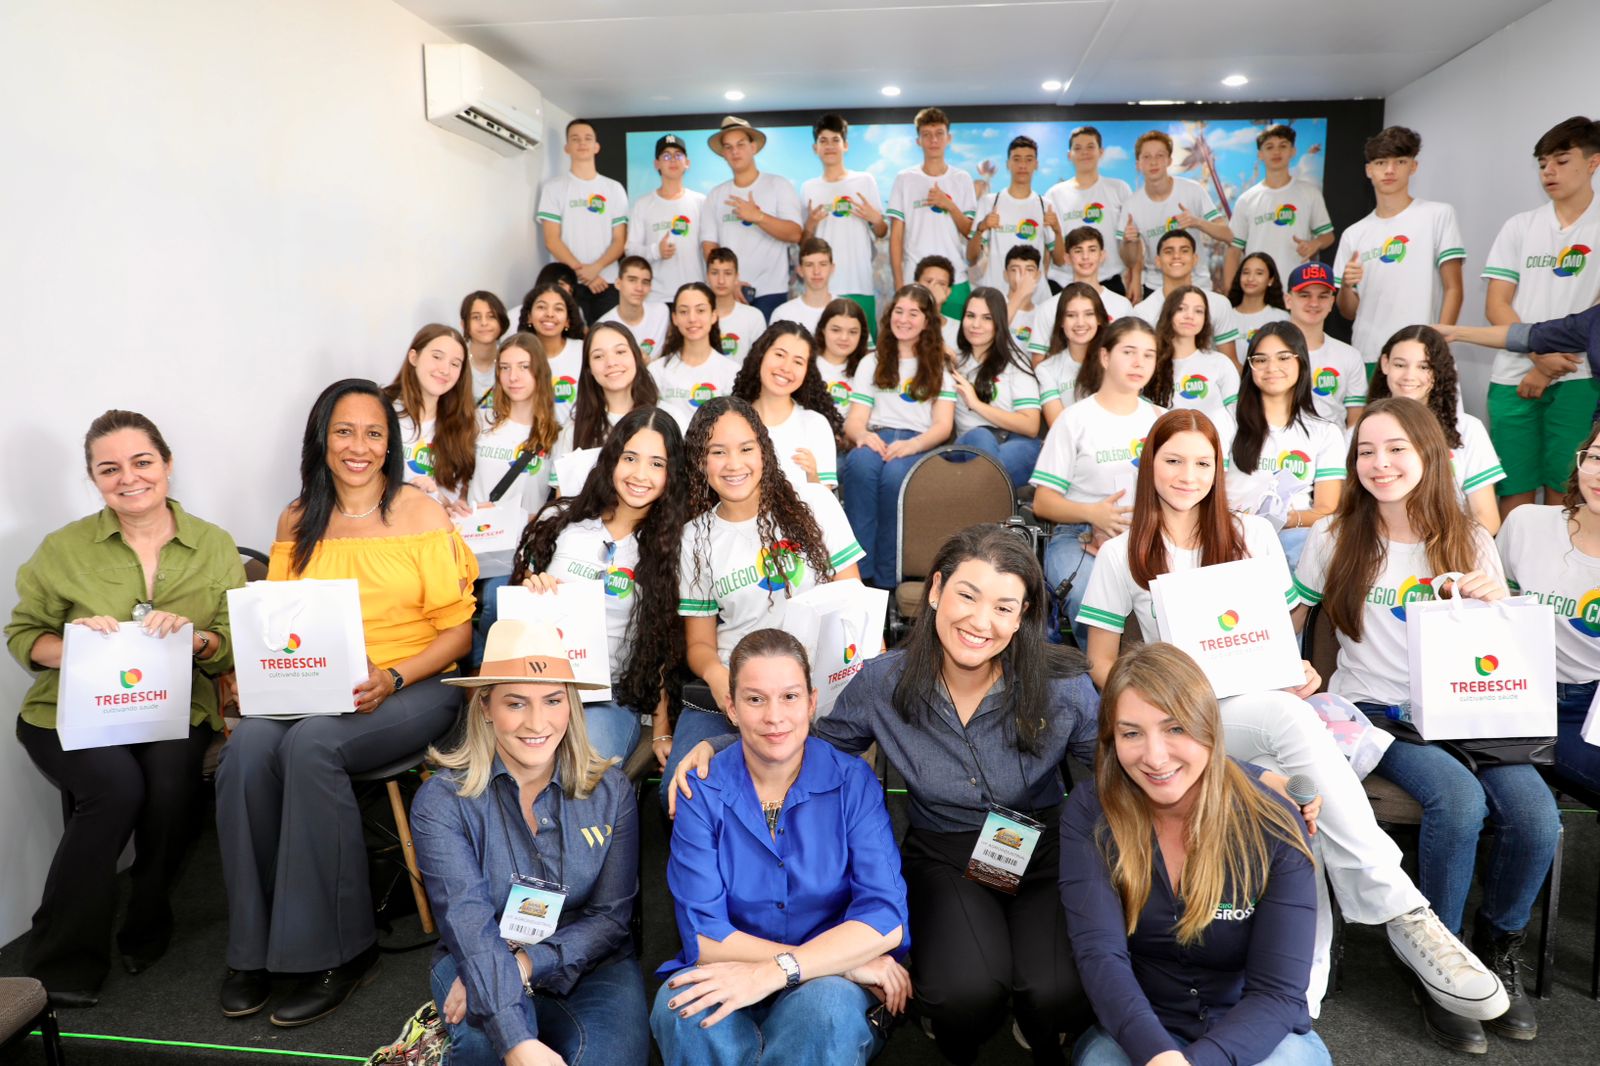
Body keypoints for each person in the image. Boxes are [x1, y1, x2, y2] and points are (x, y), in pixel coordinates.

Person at [1078, 410, 1501, 1024]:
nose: (1187, 475)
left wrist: (1297, 668)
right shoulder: (1121, 553)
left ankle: (1302, 996)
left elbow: (1278, 637)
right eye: (1172, 461)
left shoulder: (1253, 535)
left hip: (1252, 707)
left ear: (1219, 470)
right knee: (1289, 747)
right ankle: (1397, 910)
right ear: (1149, 465)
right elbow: (1100, 660)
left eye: (1202, 463)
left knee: (1298, 796)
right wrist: (1147, 706)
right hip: (1176, 722)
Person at [671, 525, 1102, 1064]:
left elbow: (1118, 766)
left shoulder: (1064, 684)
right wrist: (721, 744)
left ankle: (1041, 1022)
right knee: (963, 996)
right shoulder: (884, 682)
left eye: (1003, 607)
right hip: (946, 851)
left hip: (1039, 845)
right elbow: (808, 738)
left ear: (1022, 616)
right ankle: (958, 1020)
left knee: (1056, 993)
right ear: (936, 590)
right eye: (967, 596)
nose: (980, 621)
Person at [1292, 397, 1561, 1051]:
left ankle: (1496, 950)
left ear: (1429, 455)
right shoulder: (1333, 536)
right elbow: (1292, 622)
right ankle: (1441, 964)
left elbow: (1505, 649)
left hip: (1470, 711)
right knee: (1459, 802)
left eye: (1396, 449)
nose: (1379, 464)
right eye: (1366, 451)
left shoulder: (1470, 538)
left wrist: (1500, 600)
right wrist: (1290, 669)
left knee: (1538, 819)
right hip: (1376, 714)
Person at [216, 378, 478, 1027]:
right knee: (247, 748)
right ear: (321, 439)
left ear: (389, 445)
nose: (358, 446)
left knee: (312, 746)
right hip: (314, 688)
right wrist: (253, 674)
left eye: (373, 433)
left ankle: (343, 950)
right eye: (344, 431)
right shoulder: (297, 518)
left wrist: (393, 675)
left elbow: (458, 635)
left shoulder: (419, 512)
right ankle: (255, 948)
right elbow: (277, 621)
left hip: (412, 685)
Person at [6, 411, 242, 1006]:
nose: (129, 478)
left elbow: (231, 641)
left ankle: (149, 912)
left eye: (142, 462)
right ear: (93, 478)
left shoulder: (213, 543)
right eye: (109, 469)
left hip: (171, 709)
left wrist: (198, 640)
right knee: (116, 790)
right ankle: (60, 958)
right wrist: (75, 645)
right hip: (71, 710)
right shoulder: (63, 548)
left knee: (170, 789)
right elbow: (23, 635)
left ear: (166, 464)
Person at [1061, 643, 1331, 1066]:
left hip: (1252, 1029)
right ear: (1112, 740)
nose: (1154, 757)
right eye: (1131, 733)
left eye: (1174, 729)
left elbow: (1276, 992)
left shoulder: (1274, 822)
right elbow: (1101, 956)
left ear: (1208, 726)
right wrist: (1158, 1054)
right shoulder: (1091, 811)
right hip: (1141, 1026)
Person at [652, 628, 909, 1066]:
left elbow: (884, 920)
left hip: (827, 986)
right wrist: (841, 961)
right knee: (683, 1008)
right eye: (755, 699)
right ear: (731, 707)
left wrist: (783, 972)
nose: (774, 716)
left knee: (826, 1011)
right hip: (761, 965)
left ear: (811, 702)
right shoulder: (700, 790)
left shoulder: (852, 782)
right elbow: (705, 936)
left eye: (789, 697)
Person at [411, 620, 648, 1066]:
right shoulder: (441, 802)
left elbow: (610, 919)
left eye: (553, 700)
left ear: (571, 704)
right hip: (481, 953)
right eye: (516, 703)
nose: (537, 723)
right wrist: (515, 1039)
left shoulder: (612, 791)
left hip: (593, 964)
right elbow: (468, 923)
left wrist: (525, 964)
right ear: (485, 706)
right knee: (485, 1048)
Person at [666, 397, 864, 787]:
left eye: (745, 449)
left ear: (764, 451)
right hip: (736, 688)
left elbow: (854, 603)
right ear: (699, 462)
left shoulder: (815, 503)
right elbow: (700, 645)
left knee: (811, 785)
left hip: (816, 687)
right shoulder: (694, 538)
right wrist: (720, 679)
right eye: (717, 452)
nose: (733, 464)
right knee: (685, 784)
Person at [513, 407, 687, 766]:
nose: (640, 474)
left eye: (657, 463)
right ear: (612, 460)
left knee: (578, 769)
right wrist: (533, 589)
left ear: (672, 474)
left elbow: (665, 645)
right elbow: (515, 616)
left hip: (609, 696)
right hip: (536, 682)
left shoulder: (675, 548)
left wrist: (661, 728)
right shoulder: (559, 522)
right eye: (630, 458)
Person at [1480, 115, 1600, 518]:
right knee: (1513, 490)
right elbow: (1496, 304)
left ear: (1593, 163)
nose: (1549, 171)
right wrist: (1538, 358)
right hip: (1514, 376)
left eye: (1561, 161)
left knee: (1566, 489)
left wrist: (1550, 367)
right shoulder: (1520, 226)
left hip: (1581, 377)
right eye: (1543, 163)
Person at [1031, 317, 1165, 648]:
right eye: (1129, 352)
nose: (1139, 363)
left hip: (1149, 534)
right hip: (1078, 537)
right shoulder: (1074, 419)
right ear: (1105, 357)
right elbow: (1043, 503)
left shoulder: (1161, 420)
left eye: (1148, 355)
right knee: (1091, 598)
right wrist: (1094, 514)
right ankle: (1104, 674)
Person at [1497, 421, 1600, 795]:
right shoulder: (1526, 523)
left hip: (1593, 707)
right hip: (1518, 696)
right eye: (1596, 457)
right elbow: (1491, 614)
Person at [839, 284, 958, 588]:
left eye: (913, 313)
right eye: (899, 311)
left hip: (919, 441)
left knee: (895, 478)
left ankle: (887, 581)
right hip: (877, 437)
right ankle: (858, 576)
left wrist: (913, 444)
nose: (904, 319)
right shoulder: (872, 361)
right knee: (858, 465)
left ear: (927, 321)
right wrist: (862, 435)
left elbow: (943, 426)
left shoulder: (939, 365)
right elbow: (855, 421)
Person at [1333, 126, 1465, 370]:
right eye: (1381, 163)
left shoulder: (1437, 215)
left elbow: (1454, 288)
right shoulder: (1354, 233)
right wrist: (1347, 286)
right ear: (1369, 170)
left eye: (1400, 161)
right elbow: (1348, 312)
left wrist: (1438, 345)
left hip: (1421, 353)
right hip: (1368, 355)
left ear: (1413, 166)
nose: (1390, 170)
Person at [1227, 324, 1345, 565]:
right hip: (1231, 538)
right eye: (1261, 360)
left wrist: (1287, 519)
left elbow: (1327, 510)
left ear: (1301, 362)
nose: (1272, 368)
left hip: (1293, 545)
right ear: (1250, 366)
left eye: (1283, 358)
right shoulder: (1225, 419)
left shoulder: (1325, 432)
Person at [1367, 325, 1504, 534]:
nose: (1409, 376)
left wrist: (1440, 546)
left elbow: (1486, 518)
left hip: (1448, 544)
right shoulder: (1362, 431)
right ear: (1385, 364)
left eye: (1424, 367)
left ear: (1438, 371)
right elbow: (1349, 510)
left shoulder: (1468, 429)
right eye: (1400, 364)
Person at [701, 116, 804, 321]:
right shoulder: (716, 195)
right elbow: (709, 247)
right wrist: (728, 282)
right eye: (728, 147)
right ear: (723, 154)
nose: (735, 151)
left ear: (753, 147)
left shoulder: (778, 185)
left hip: (772, 292)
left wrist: (758, 216)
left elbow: (795, 233)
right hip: (730, 294)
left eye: (741, 144)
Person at [537, 118, 629, 326]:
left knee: (608, 336)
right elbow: (552, 240)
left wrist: (596, 268)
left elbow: (620, 240)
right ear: (567, 148)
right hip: (567, 283)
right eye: (575, 139)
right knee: (572, 337)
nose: (582, 143)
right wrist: (584, 274)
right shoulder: (553, 188)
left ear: (596, 147)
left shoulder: (614, 188)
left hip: (607, 282)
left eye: (588, 138)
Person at [1222, 124, 1336, 292]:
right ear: (1260, 154)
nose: (1276, 152)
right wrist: (1229, 293)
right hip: (1257, 291)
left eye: (1283, 146)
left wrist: (1315, 244)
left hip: (1297, 289)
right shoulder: (1246, 199)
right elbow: (1234, 250)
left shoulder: (1310, 193)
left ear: (1293, 151)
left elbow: (1328, 236)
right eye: (1269, 147)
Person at [1121, 130, 1233, 298]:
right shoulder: (1131, 204)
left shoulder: (1193, 190)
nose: (1153, 162)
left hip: (1197, 284)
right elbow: (1130, 259)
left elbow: (1228, 235)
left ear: (1169, 160)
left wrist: (1197, 222)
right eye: (1147, 157)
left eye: (1160, 156)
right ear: (1138, 164)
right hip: (1156, 287)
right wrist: (1129, 241)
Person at [950, 285, 1043, 487]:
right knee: (980, 436)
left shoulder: (1015, 363)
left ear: (999, 322)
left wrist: (976, 404)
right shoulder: (954, 362)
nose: (976, 324)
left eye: (987, 318)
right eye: (970, 316)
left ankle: (978, 495)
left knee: (1001, 461)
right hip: (969, 445)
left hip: (1015, 442)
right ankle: (988, 495)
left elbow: (1031, 426)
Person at [733, 321, 843, 490]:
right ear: (761, 355)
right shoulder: (731, 420)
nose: (786, 368)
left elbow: (824, 500)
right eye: (779, 355)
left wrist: (813, 476)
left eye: (798, 362)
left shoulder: (815, 424)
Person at [888, 107, 978, 315]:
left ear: (949, 138)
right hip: (915, 279)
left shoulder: (962, 178)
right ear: (918, 141)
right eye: (926, 135)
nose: (933, 140)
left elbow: (970, 231)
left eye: (939, 134)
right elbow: (896, 237)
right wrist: (899, 284)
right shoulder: (905, 179)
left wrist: (949, 205)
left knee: (957, 335)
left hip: (955, 279)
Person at [802, 113, 886, 332]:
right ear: (815, 148)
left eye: (835, 140)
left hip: (859, 282)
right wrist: (810, 225)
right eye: (823, 141)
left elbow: (881, 231)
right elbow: (804, 243)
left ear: (845, 145)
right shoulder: (809, 187)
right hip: (823, 288)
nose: (829, 146)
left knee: (865, 347)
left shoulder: (865, 181)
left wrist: (876, 219)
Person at [382, 323, 476, 514]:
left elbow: (449, 498)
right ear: (414, 357)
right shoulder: (381, 409)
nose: (445, 369)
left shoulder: (461, 424)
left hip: (429, 527)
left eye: (455, 364)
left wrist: (438, 496)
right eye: (437, 357)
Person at [468, 333, 559, 517]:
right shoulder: (479, 420)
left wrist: (514, 517)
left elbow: (559, 506)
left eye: (524, 367)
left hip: (525, 534)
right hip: (473, 533)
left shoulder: (554, 435)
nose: (513, 377)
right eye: (505, 367)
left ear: (540, 371)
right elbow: (458, 485)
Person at [968, 136, 1060, 303]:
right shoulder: (989, 202)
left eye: (1028, 159)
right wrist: (982, 228)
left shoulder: (1045, 206)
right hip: (995, 297)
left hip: (1035, 298)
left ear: (1036, 164)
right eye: (1017, 159)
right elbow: (971, 256)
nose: (1022, 165)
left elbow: (1059, 260)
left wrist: (1058, 231)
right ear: (1008, 164)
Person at [1043, 125, 1133, 296]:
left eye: (1090, 147)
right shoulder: (1054, 194)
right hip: (1064, 283)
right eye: (1078, 148)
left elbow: (1132, 240)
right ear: (1069, 155)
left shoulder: (1119, 189)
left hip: (1109, 282)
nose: (1084, 152)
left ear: (1101, 152)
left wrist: (1135, 276)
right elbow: (1050, 249)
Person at [1130, 229, 1241, 364]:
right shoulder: (1142, 311)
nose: (1176, 256)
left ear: (1195, 259)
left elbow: (1231, 361)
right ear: (1158, 261)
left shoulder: (1218, 304)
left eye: (1184, 251)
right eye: (1169, 251)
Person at [556, 320, 662, 459]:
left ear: (636, 357)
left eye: (620, 352)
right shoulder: (573, 430)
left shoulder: (668, 415)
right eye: (598, 356)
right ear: (589, 369)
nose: (611, 362)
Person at [1146, 286, 1241, 437]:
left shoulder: (1220, 363)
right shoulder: (1150, 365)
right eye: (1181, 309)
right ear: (1168, 314)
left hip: (1213, 448)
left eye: (1198, 311)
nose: (1190, 316)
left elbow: (1235, 416)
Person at [1028, 226, 1134, 361]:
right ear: (1067, 258)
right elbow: (1038, 361)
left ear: (1102, 255)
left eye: (1092, 250)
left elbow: (1131, 352)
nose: (1085, 257)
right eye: (1078, 251)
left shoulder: (1122, 305)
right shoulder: (1048, 307)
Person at [647, 281, 739, 433]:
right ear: (674, 318)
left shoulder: (732, 371)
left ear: (714, 316)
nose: (692, 318)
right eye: (684, 311)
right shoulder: (657, 370)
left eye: (700, 310)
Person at [626, 134, 707, 302]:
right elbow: (630, 250)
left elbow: (710, 248)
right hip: (656, 297)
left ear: (687, 163)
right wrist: (656, 251)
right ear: (657, 164)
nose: (673, 160)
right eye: (666, 156)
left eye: (678, 155)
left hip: (695, 295)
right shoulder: (643, 204)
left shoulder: (701, 202)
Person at [1285, 262, 1366, 428]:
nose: (1314, 303)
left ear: (1331, 302)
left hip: (1333, 443)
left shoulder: (1349, 355)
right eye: (1305, 295)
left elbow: (1355, 421)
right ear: (1288, 300)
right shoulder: (1269, 351)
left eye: (1322, 296)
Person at [1035, 282, 1111, 427]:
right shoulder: (1046, 369)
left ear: (1099, 319)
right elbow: (1058, 426)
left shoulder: (1114, 360)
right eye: (1071, 315)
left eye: (1089, 314)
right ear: (1061, 321)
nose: (1080, 323)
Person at [517, 281, 587, 426]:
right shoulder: (517, 355)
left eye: (558, 309)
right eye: (541, 307)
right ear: (529, 316)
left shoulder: (583, 351)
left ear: (568, 321)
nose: (549, 314)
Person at [597, 255, 670, 360]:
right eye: (632, 280)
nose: (639, 288)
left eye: (645, 282)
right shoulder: (604, 326)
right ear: (618, 283)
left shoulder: (661, 312)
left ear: (650, 287)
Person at [706, 246, 770, 363]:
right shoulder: (699, 317)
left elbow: (760, 362)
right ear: (707, 276)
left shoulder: (753, 317)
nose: (721, 280)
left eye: (728, 273)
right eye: (715, 273)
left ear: (736, 277)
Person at [815, 297, 873, 415]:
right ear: (823, 330)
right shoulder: (806, 364)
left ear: (862, 335)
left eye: (853, 332)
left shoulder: (868, 368)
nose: (844, 338)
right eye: (836, 330)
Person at [771, 236, 836, 333]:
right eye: (809, 265)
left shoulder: (846, 310)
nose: (816, 271)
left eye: (823, 264)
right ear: (800, 270)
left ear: (832, 268)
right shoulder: (783, 314)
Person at [461, 290, 511, 410]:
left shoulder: (511, 360)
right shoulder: (457, 361)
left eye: (491, 316)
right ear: (463, 324)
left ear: (501, 322)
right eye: (476, 317)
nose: (484, 323)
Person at [1228, 251, 1291, 345]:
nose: (1250, 278)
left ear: (1270, 280)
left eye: (1259, 273)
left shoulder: (1281, 318)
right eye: (1246, 272)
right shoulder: (1226, 316)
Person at [916, 254, 964, 352]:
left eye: (941, 284)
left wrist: (936, 305)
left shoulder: (960, 330)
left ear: (948, 292)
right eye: (929, 281)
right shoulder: (904, 322)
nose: (934, 287)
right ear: (916, 285)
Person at [1002, 246, 1046, 350]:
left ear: (1038, 275)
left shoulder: (1042, 314)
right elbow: (994, 332)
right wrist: (1020, 293)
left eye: (1029, 270)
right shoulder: (992, 303)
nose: (1022, 275)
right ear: (1006, 275)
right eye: (1015, 270)